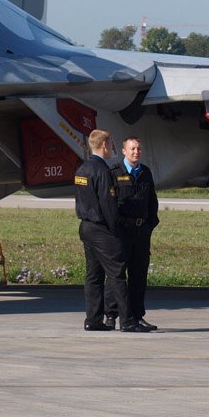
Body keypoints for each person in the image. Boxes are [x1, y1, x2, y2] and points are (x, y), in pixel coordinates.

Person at [74, 129, 128, 332]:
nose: (112, 147)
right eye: (111, 143)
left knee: (93, 275)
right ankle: (127, 320)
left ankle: (93, 319)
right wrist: (117, 230)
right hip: (101, 228)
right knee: (117, 274)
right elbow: (108, 204)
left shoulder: (82, 169)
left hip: (86, 226)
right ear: (104, 144)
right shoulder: (102, 171)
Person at [109, 136, 160, 332]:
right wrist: (117, 226)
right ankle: (111, 315)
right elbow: (111, 203)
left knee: (139, 275)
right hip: (122, 231)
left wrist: (150, 224)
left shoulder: (145, 172)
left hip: (141, 231)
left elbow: (152, 200)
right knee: (117, 274)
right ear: (124, 151)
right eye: (132, 149)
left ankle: (137, 316)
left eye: (138, 148)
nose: (136, 152)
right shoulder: (115, 173)